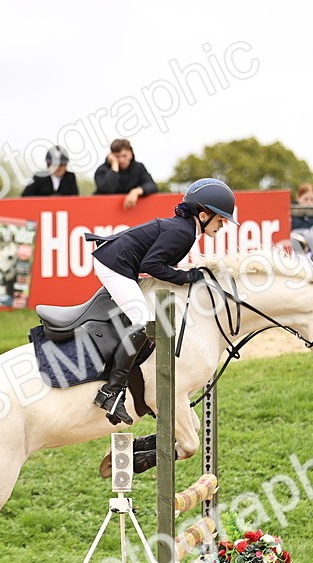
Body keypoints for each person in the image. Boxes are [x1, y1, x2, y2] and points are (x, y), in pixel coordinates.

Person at [84, 178, 236, 425]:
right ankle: (110, 392)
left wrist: (185, 275)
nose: (224, 224)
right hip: (113, 265)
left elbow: (160, 263)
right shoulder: (184, 232)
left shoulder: (186, 230)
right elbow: (151, 265)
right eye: (221, 218)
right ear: (204, 214)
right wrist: (187, 277)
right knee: (143, 322)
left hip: (117, 261)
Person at [93, 138, 158, 209]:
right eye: (117, 157)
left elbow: (152, 185)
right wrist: (114, 167)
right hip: (104, 209)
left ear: (131, 154)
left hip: (128, 210)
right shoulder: (101, 170)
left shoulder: (138, 167)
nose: (121, 160)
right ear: (111, 156)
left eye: (124, 156)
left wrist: (136, 192)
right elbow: (107, 190)